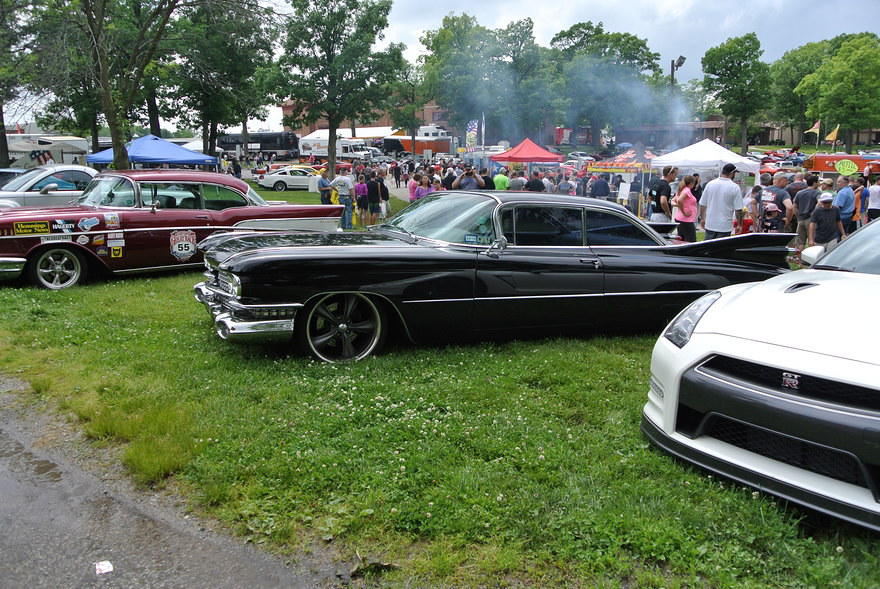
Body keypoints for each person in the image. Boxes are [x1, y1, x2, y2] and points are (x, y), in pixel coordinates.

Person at [699, 163, 743, 240]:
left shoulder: (710, 184)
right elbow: (738, 209)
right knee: (721, 250)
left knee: (708, 248)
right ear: (732, 173)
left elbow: (703, 204)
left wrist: (702, 218)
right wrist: (739, 224)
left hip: (710, 223)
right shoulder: (735, 187)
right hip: (724, 225)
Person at [792, 175, 820, 249]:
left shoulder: (800, 193)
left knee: (800, 241)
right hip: (811, 220)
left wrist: (798, 216)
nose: (819, 183)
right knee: (812, 240)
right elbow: (819, 203)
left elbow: (794, 206)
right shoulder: (817, 192)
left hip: (801, 219)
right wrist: (813, 214)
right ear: (814, 183)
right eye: (818, 182)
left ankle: (799, 257)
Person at [671, 175, 698, 242]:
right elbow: (679, 200)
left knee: (681, 240)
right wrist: (684, 211)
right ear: (691, 183)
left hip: (681, 219)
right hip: (686, 220)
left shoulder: (681, 190)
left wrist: (678, 206)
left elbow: (672, 201)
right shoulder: (687, 191)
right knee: (690, 240)